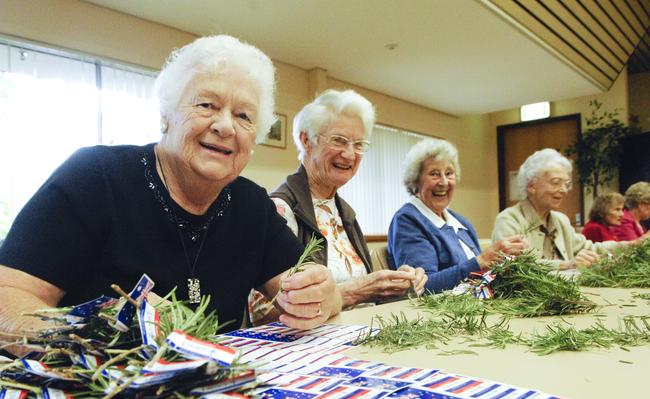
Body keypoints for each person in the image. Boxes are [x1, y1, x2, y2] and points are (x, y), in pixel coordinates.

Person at [0, 35, 341, 346]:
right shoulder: (95, 176)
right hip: (98, 396)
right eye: (206, 105)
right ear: (166, 114)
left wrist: (320, 296)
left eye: (243, 116)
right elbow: (8, 297)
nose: (224, 126)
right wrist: (96, 337)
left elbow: (311, 289)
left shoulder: (251, 204)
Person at [249, 89, 426, 324]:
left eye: (359, 144)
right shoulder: (280, 209)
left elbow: (367, 298)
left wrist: (395, 285)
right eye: (339, 140)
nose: (349, 154)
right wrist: (359, 290)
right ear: (306, 140)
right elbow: (262, 313)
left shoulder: (344, 213)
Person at [388, 138, 527, 293]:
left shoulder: (461, 223)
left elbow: (482, 277)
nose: (444, 182)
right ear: (415, 180)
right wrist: (481, 261)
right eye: (434, 174)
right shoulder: (408, 220)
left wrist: (506, 259)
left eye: (449, 173)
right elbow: (423, 286)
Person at [492, 148, 621, 269]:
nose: (564, 190)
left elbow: (588, 248)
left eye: (567, 184)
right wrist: (569, 265)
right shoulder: (509, 219)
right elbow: (516, 265)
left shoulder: (560, 220)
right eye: (556, 183)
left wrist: (630, 245)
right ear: (531, 186)